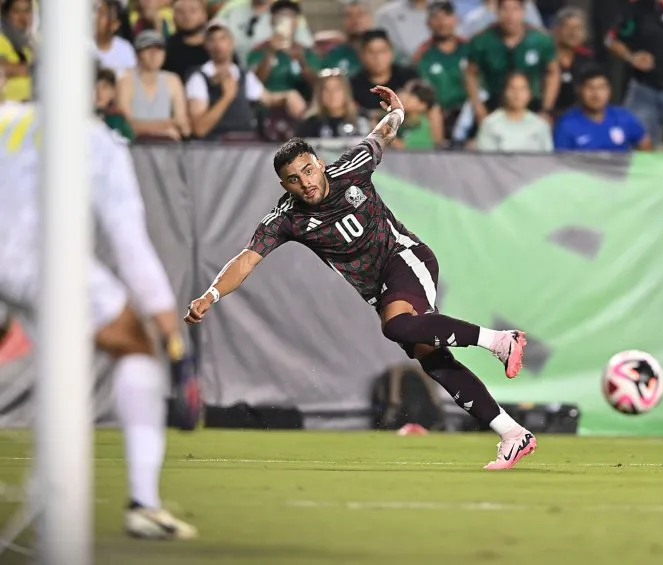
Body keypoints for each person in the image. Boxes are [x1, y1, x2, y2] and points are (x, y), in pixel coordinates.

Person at [185, 85, 537, 470]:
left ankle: (500, 340)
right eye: (293, 179)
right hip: (380, 290)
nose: (305, 183)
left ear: (319, 162)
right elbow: (247, 259)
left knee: (398, 326)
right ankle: (512, 434)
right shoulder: (287, 218)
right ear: (284, 185)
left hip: (406, 257)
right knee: (432, 360)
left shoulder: (351, 168)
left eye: (307, 170)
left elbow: (381, 134)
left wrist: (398, 111)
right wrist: (211, 294)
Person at [0, 84, 200, 538]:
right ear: (101, 91)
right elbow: (130, 246)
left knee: (58, 356)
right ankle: (144, 503)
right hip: (38, 260)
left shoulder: (6, 117)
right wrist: (171, 335)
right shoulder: (95, 139)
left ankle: (50, 477)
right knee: (135, 342)